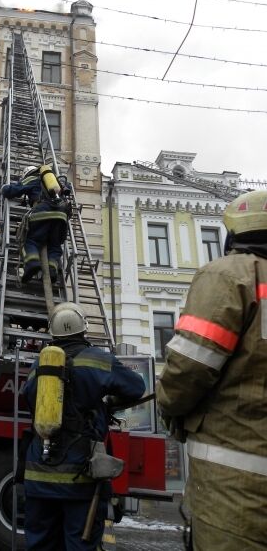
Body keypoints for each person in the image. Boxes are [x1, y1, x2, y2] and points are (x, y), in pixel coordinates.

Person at [156, 189, 267, 551]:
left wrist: (167, 405)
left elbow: (191, 365)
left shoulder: (230, 275)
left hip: (237, 484)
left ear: (233, 235)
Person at [22, 302, 145, 550]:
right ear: (84, 330)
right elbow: (136, 388)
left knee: (40, 545)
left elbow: (28, 399)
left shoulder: (40, 365)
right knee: (80, 544)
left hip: (39, 473)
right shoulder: (99, 360)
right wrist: (107, 400)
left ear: (53, 333)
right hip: (81, 476)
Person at [1, 165, 70, 283]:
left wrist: (4, 189)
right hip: (62, 215)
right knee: (54, 245)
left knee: (29, 240)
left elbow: (13, 190)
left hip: (43, 211)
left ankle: (32, 264)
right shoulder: (56, 180)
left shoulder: (31, 178)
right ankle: (52, 269)